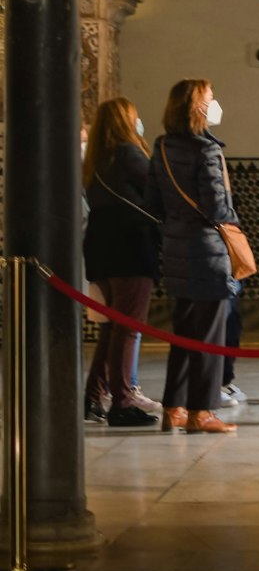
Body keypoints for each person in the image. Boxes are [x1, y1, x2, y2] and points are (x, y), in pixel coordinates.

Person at [145, 79, 239, 435]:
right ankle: (203, 411)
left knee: (183, 332)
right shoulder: (207, 151)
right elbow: (217, 207)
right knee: (211, 334)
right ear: (198, 106)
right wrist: (232, 218)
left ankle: (174, 407)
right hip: (207, 251)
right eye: (211, 99)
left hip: (175, 248)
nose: (216, 104)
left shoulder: (163, 146)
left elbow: (151, 202)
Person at [82, 98, 161, 428]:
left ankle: (92, 396)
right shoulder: (130, 154)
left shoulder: (97, 160)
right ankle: (122, 403)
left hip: (101, 249)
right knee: (127, 329)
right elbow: (156, 193)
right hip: (130, 248)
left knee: (112, 327)